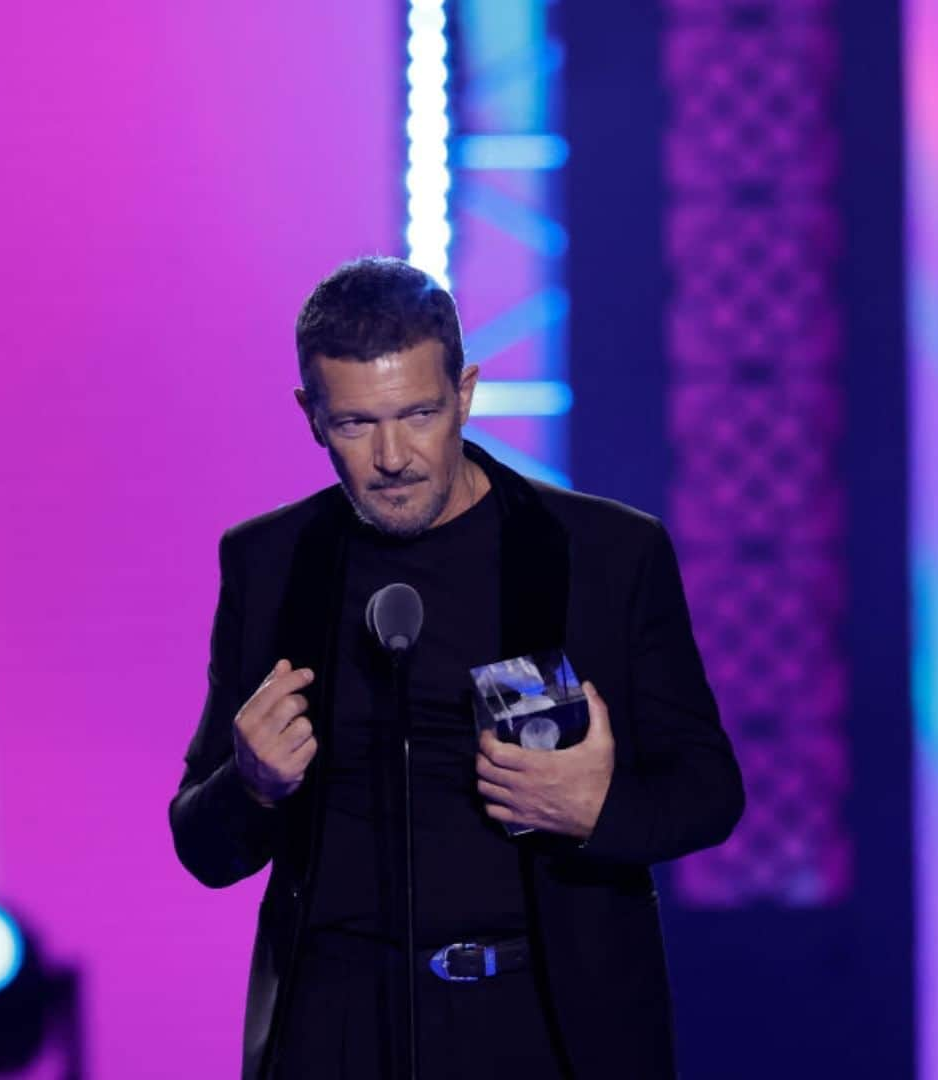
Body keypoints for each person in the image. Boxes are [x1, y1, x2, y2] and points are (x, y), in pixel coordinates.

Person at [169, 256, 745, 1080]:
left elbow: (710, 791)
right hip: (334, 1027)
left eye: (421, 413)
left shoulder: (605, 554)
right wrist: (251, 784)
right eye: (357, 425)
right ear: (311, 416)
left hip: (538, 1022)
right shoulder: (271, 563)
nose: (395, 455)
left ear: (465, 393)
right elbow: (203, 845)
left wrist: (597, 808)